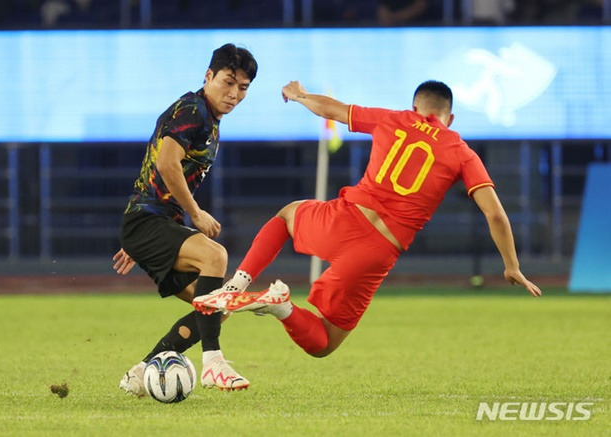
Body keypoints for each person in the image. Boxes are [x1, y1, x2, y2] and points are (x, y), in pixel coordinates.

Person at [193, 79, 542, 358]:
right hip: (377, 250)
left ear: (415, 108)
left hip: (344, 218)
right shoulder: (461, 151)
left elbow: (333, 109)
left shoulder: (395, 119)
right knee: (324, 343)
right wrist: (511, 265)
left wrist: (300, 96)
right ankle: (281, 307)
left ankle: (237, 282)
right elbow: (494, 213)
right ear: (450, 118)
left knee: (286, 217)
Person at [113, 43, 258, 394]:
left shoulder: (210, 120)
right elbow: (165, 164)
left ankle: (143, 372)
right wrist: (194, 214)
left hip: (153, 226)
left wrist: (151, 242)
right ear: (208, 76)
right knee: (215, 255)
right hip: (148, 222)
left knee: (217, 309)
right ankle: (213, 364)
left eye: (242, 88)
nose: (234, 94)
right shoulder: (193, 109)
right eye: (227, 82)